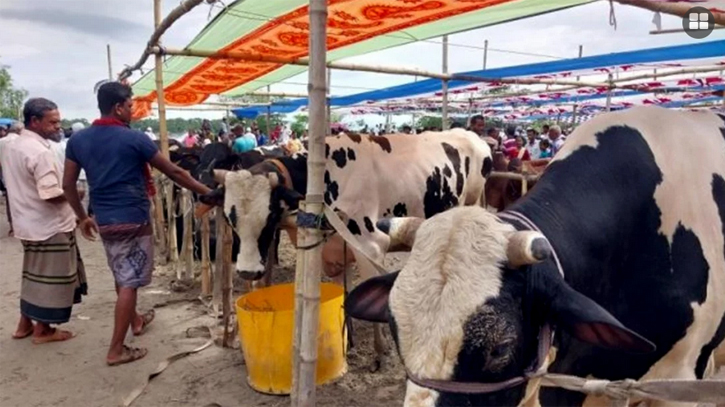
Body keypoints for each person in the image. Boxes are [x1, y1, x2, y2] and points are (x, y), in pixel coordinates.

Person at [63, 82, 212, 366]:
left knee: (122, 273)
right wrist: (208, 192)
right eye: (130, 106)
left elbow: (68, 184)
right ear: (118, 107)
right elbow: (174, 171)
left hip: (104, 219)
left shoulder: (78, 140)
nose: (132, 111)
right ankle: (116, 349)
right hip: (132, 216)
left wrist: (82, 217)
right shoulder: (135, 139)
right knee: (130, 281)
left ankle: (137, 321)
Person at [2, 98, 87, 344]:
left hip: (26, 223)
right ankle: (44, 330)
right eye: (53, 122)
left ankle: (24, 324)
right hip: (48, 224)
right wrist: (75, 194)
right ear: (35, 121)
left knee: (33, 274)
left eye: (58, 121)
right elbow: (50, 194)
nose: (58, 127)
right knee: (50, 279)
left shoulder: (12, 146)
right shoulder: (39, 151)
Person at [0, 122, 23, 235]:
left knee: (10, 200)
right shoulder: (22, 141)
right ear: (19, 130)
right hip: (22, 175)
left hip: (6, 175)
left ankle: (12, 226)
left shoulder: (1, 142)